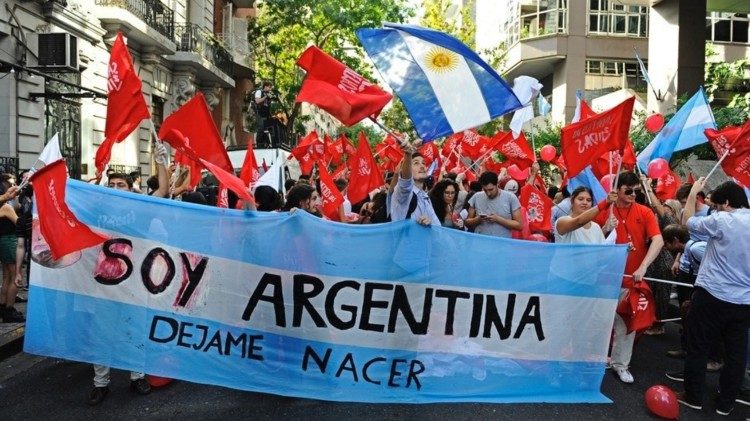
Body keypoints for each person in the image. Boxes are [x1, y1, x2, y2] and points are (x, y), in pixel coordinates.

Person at [675, 179, 750, 416]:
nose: (715, 209)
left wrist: (692, 194)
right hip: (744, 301)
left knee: (698, 346)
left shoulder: (723, 220)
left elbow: (686, 222)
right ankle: (726, 403)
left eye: (717, 205)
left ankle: (693, 396)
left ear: (726, 203)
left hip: (712, 294)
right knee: (736, 355)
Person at [593, 171, 664, 384]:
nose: (633, 194)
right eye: (628, 190)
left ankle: (621, 364)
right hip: (604, 278)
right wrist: (605, 229)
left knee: (626, 324)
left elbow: (658, 240)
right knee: (599, 320)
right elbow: (591, 243)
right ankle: (595, 358)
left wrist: (643, 267)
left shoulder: (645, 212)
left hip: (631, 279)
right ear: (618, 189)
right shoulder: (603, 211)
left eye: (636, 190)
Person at [390, 146, 440, 226]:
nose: (422, 166)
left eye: (423, 163)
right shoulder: (403, 194)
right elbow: (405, 183)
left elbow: (438, 227)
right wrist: (408, 154)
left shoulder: (426, 197)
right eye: (416, 163)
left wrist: (430, 225)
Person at [465, 171, 522, 238]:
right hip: (480, 242)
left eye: (491, 189)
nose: (488, 193)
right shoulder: (476, 196)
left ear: (497, 184)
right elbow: (467, 223)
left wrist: (498, 219)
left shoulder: (511, 197)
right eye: (485, 190)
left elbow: (519, 226)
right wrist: (478, 219)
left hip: (502, 244)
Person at [0, 181, 20, 323]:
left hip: (3, 242)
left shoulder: (4, 206)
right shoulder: (6, 207)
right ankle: (9, 309)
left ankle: (3, 306)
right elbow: (19, 223)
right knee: (15, 276)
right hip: (9, 242)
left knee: (6, 276)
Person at [254, 80, 275, 148]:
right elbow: (257, 101)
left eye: (271, 87)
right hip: (259, 113)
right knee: (260, 128)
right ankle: (258, 144)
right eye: (269, 87)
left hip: (266, 115)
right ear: (265, 86)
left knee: (266, 130)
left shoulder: (268, 94)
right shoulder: (259, 92)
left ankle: (266, 144)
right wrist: (266, 97)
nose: (270, 88)